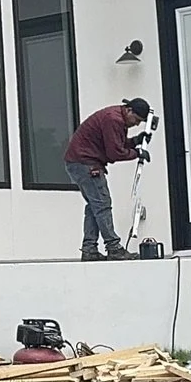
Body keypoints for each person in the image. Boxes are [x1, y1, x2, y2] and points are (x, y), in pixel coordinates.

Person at [64, 97, 152, 260]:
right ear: (129, 110)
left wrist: (134, 142)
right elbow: (114, 152)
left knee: (94, 205)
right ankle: (113, 247)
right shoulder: (114, 120)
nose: (137, 124)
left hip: (79, 162)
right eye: (137, 120)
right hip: (86, 163)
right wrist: (137, 153)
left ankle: (89, 249)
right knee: (102, 204)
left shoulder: (116, 117)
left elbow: (115, 143)